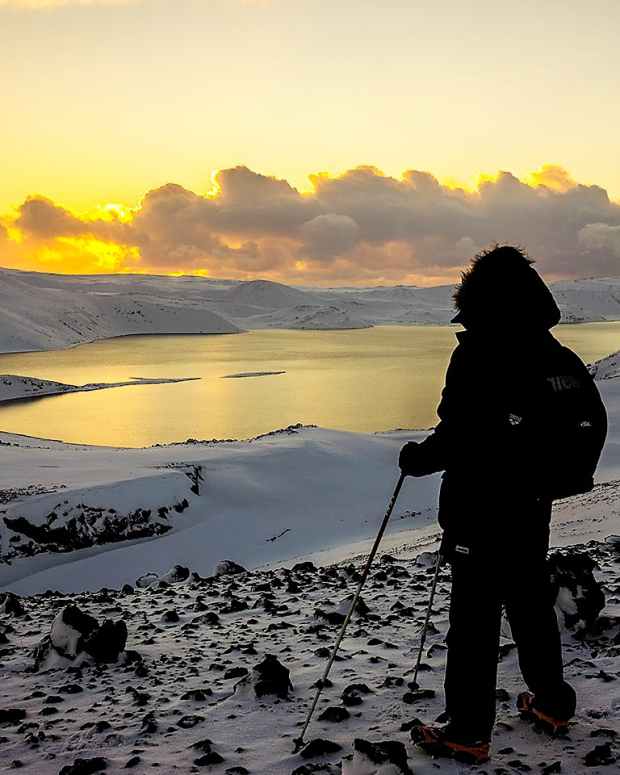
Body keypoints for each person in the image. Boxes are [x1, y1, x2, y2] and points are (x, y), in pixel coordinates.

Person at [399, 245, 607, 764]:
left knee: (472, 618)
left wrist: (417, 459)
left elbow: (460, 430)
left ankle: (467, 731)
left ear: (480, 299)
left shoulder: (481, 352)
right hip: (533, 501)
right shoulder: (555, 352)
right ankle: (553, 703)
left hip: (481, 504)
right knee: (529, 599)